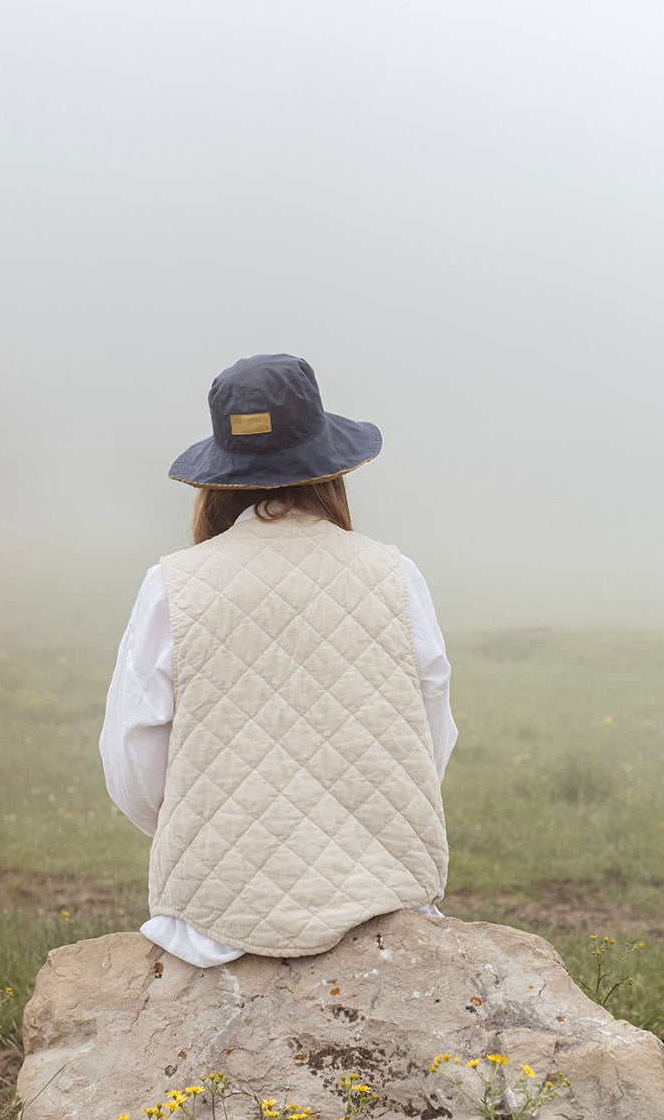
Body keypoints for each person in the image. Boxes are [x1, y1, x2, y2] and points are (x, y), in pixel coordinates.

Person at [100, 352, 457, 969]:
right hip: (388, 912)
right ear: (331, 467)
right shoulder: (396, 575)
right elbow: (431, 737)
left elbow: (132, 759)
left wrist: (205, 830)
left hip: (210, 923)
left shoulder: (171, 584)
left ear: (217, 474)